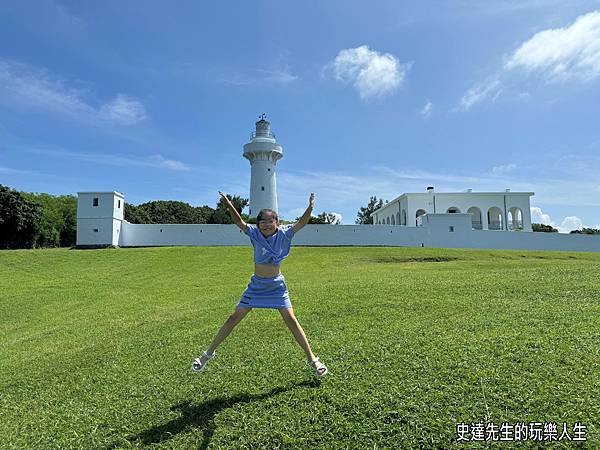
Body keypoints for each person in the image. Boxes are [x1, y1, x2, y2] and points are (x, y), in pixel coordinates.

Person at [192, 192, 328, 378]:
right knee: (233, 318)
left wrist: (310, 207)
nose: (265, 224)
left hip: (276, 286)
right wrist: (230, 205)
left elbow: (301, 224)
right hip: (256, 286)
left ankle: (313, 359)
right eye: (261, 221)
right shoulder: (254, 234)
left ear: (277, 222)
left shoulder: (284, 234)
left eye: (269, 221)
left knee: (291, 320)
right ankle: (206, 356)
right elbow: (239, 222)